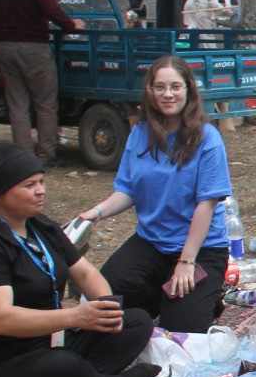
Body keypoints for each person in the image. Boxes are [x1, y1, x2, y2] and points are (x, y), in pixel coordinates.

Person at [0, 143, 159, 377]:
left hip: (51, 340)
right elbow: (1, 319)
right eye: (29, 185)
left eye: (41, 181)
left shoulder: (40, 226)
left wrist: (108, 308)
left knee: (138, 321)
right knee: (63, 365)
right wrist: (75, 317)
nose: (40, 191)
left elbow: (85, 273)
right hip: (4, 364)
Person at [76, 56, 232, 332]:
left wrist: (186, 261)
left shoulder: (208, 138)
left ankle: (202, 299)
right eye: (160, 87)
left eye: (175, 86)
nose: (167, 94)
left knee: (180, 329)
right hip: (152, 242)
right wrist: (96, 212)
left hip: (200, 247)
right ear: (150, 90)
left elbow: (206, 204)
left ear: (188, 90)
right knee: (102, 296)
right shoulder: (139, 133)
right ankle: (164, 299)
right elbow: (127, 191)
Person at [0, 0, 86, 166]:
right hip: (34, 46)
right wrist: (71, 25)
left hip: (6, 47)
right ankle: (45, 154)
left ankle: (23, 157)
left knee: (17, 105)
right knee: (45, 103)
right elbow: (51, 9)